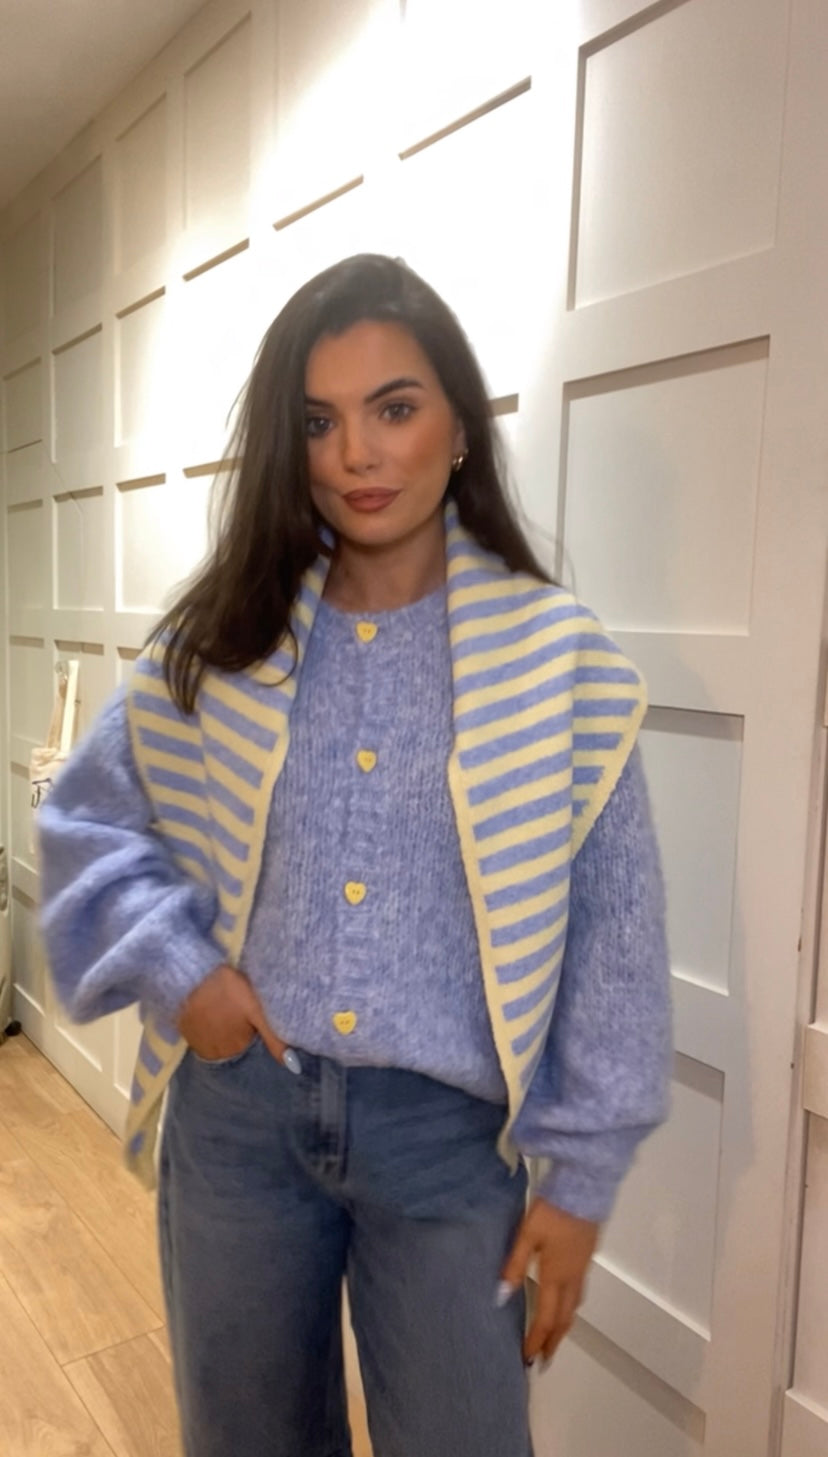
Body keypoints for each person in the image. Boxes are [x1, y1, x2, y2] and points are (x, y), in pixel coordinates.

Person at [38, 253, 672, 1457]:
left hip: (446, 1146)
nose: (356, 454)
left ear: (459, 426)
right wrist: (181, 969)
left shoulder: (558, 662)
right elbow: (87, 818)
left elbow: (616, 939)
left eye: (395, 407)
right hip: (240, 1119)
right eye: (319, 422)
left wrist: (581, 1177)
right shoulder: (228, 638)